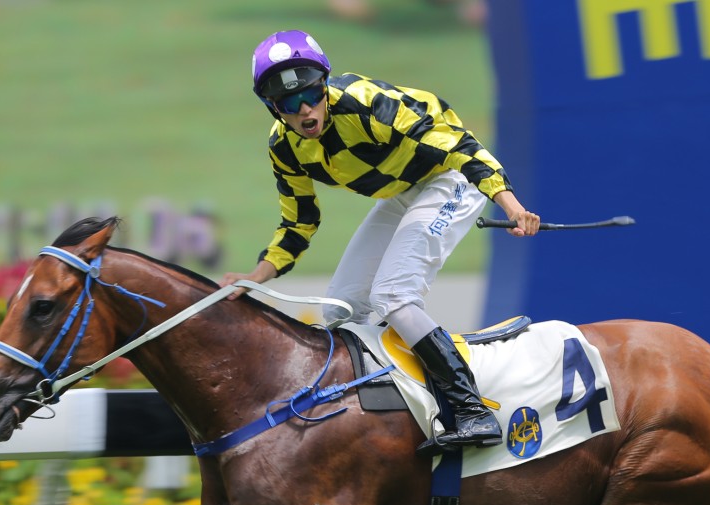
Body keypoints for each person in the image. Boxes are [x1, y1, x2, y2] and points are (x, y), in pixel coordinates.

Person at [224, 29, 540, 456]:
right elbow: (299, 223)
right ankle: (381, 413)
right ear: (272, 108)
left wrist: (509, 202)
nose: (305, 111)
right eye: (288, 104)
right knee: (340, 309)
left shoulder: (364, 102)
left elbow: (461, 147)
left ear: (325, 85)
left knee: (393, 295)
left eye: (311, 94)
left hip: (451, 178)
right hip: (404, 191)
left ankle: (472, 411)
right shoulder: (285, 146)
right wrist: (252, 279)